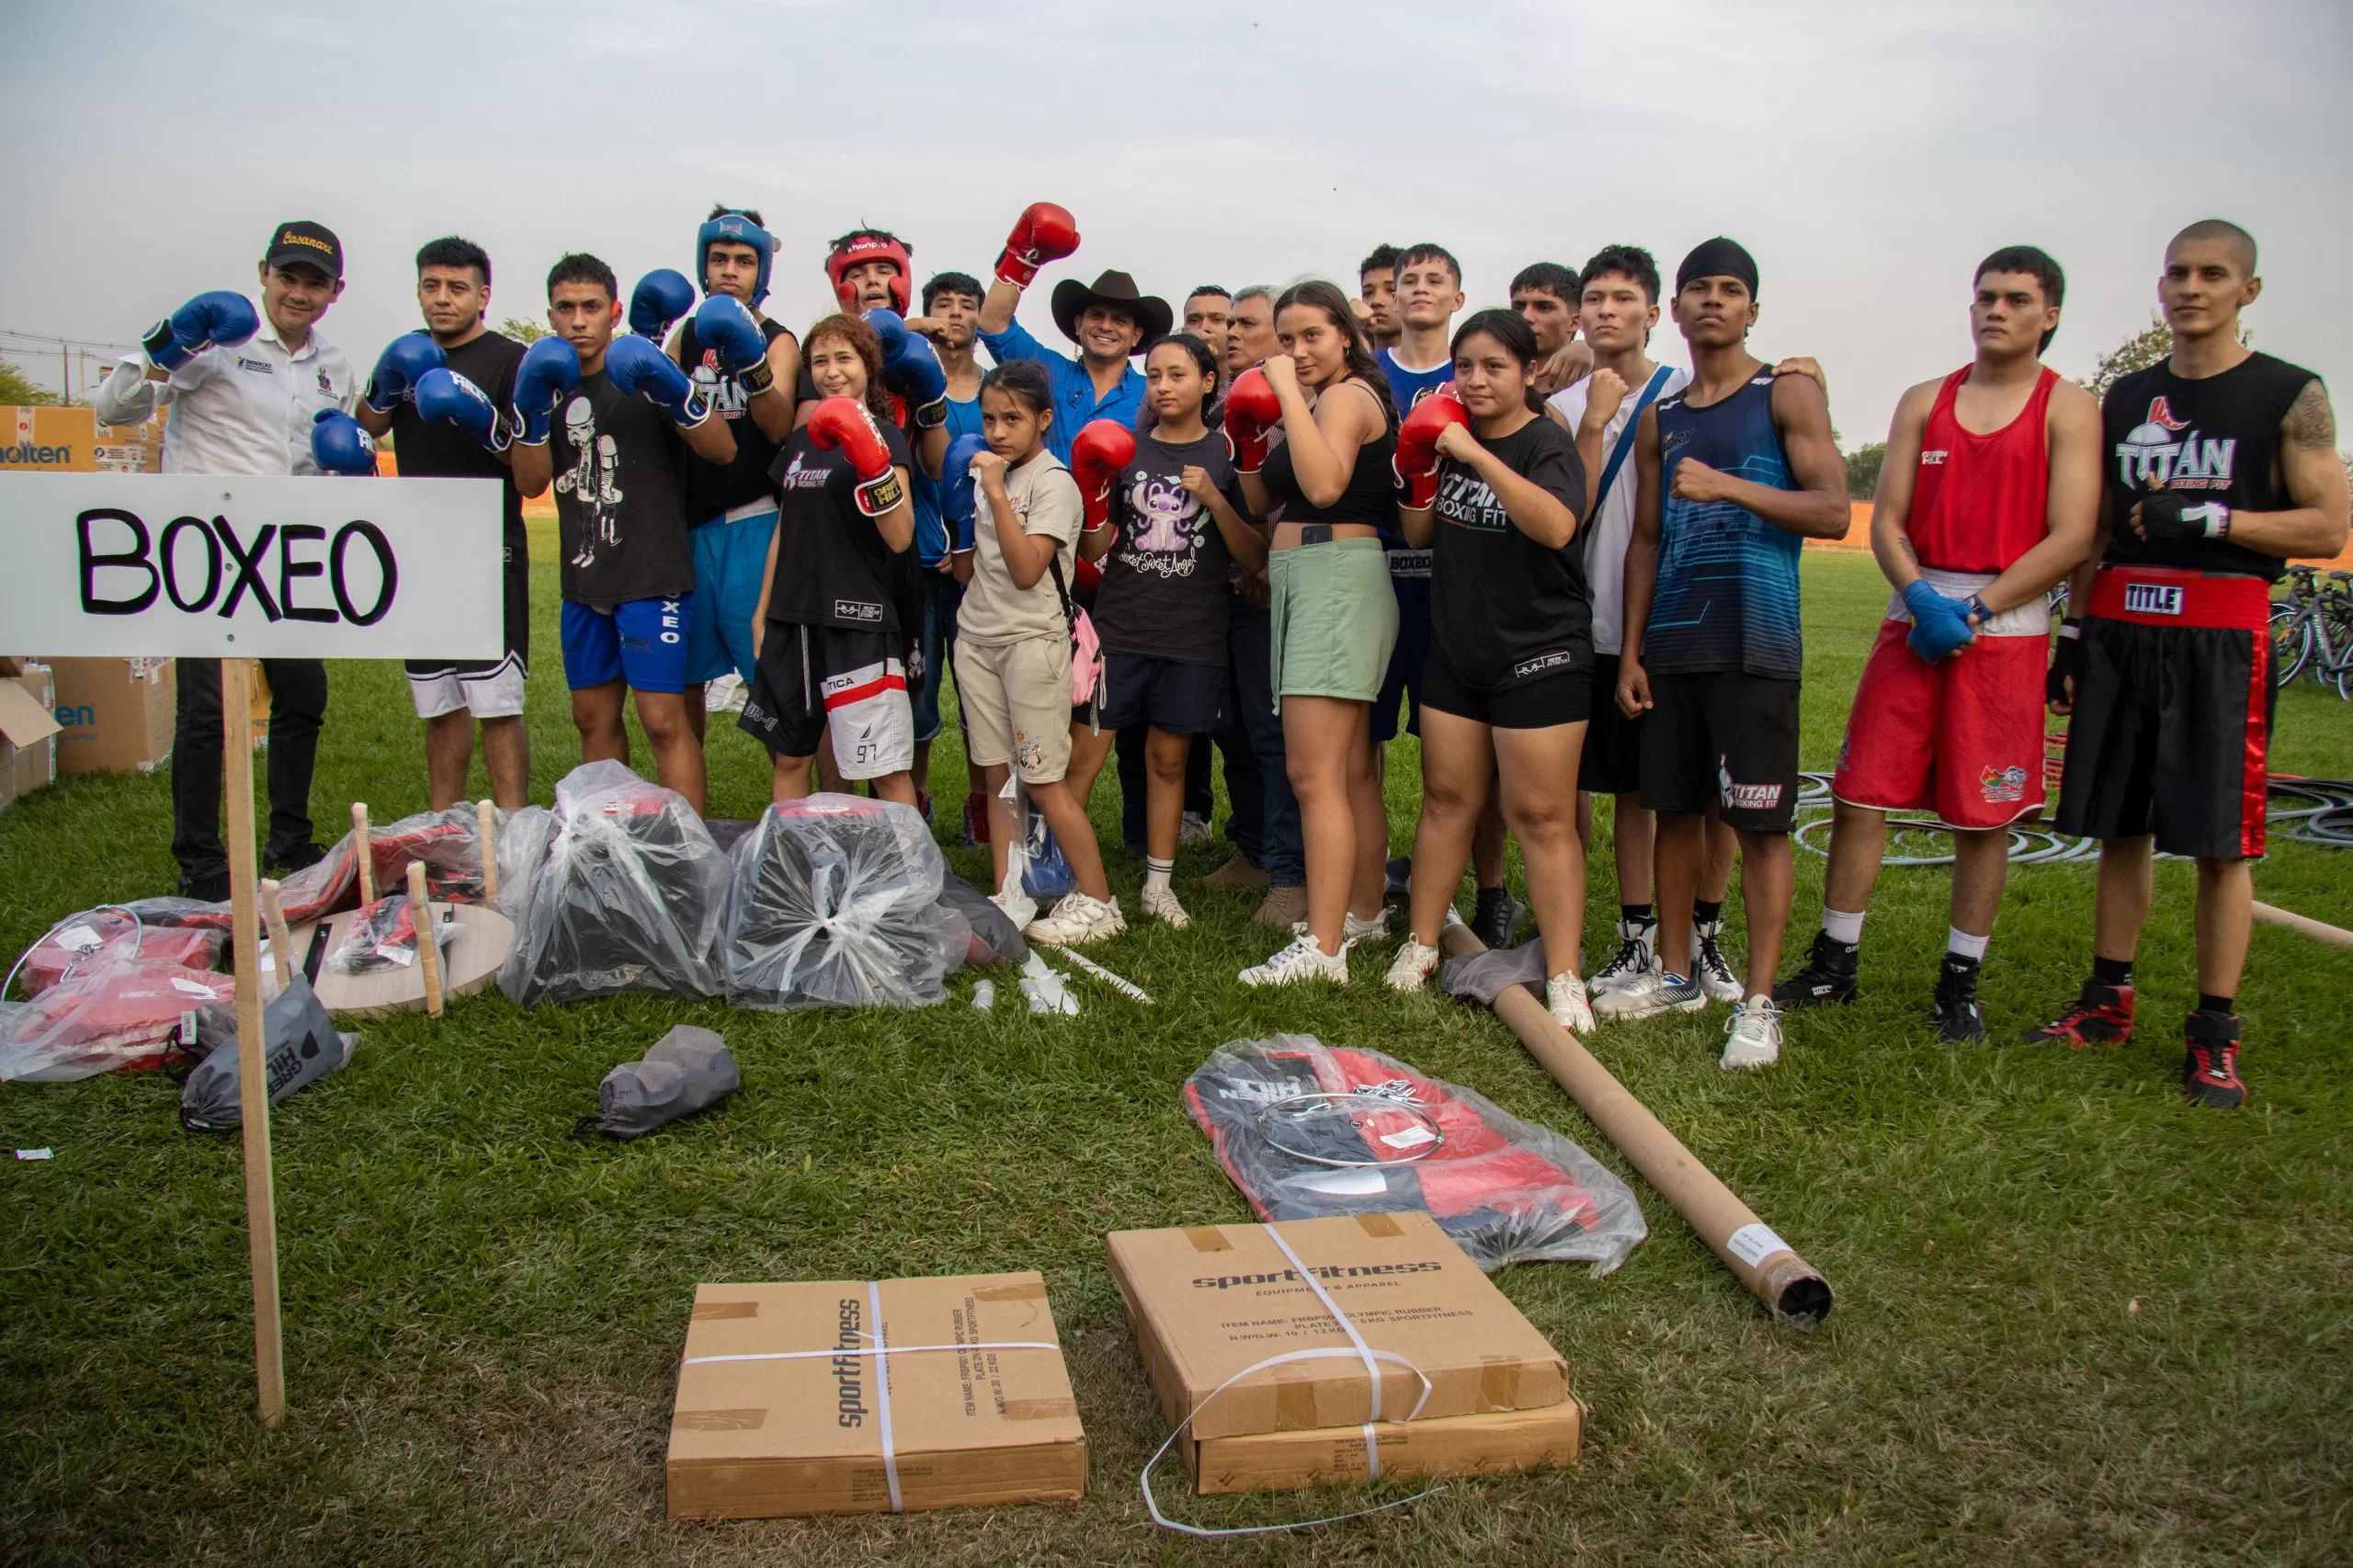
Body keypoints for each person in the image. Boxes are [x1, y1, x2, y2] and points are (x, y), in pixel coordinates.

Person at [2031, 220, 2348, 1108]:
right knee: (2119, 824)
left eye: (2213, 274)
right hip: (2125, 627)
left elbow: (2327, 526)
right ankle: (2107, 1000)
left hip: (2222, 634)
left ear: (2247, 289)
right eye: (2177, 273)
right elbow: (2092, 528)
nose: (2191, 287)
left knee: (2219, 842)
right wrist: (2074, 634)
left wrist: (2213, 520)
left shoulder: (2289, 393)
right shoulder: (2124, 396)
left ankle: (2214, 1031)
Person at [1775, 246, 2102, 1040]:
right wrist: (1921, 595)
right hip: (1912, 616)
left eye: (2017, 299)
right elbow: (1884, 518)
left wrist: (1981, 609)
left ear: (2048, 314)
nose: (1996, 310)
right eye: (1985, 296)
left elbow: (2074, 534)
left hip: (2007, 630)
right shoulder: (1927, 399)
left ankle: (1959, 983)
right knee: (1861, 795)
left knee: (1982, 815)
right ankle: (1834, 964)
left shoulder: (2069, 408)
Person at [1598, 238, 1850, 1072]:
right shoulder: (1662, 417)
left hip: (1757, 643)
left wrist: (1728, 485)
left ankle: (1760, 1002)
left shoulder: (1787, 392)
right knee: (1673, 813)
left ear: (1752, 309)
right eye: (1697, 290)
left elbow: (1831, 511)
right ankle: (1677, 975)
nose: (1713, 302)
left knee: (1759, 823)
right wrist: (1631, 652)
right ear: (1674, 311)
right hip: (1674, 644)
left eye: (1730, 289)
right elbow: (1642, 541)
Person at [92, 220, 358, 900]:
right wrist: (165, 348)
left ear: (336, 290)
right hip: (206, 551)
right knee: (208, 712)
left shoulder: (335, 366)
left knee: (304, 697)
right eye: (288, 276)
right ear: (263, 272)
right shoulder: (213, 343)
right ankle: (202, 861)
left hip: (287, 557)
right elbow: (114, 411)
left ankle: (291, 841)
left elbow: (318, 466)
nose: (299, 292)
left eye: (314, 282)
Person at [1384, 312, 1594, 1031]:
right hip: (1459, 649)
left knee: (1539, 814)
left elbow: (1558, 526)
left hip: (1540, 652)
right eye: (1464, 366)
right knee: (1446, 799)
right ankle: (1418, 945)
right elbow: (1418, 534)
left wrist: (1473, 452)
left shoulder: (1545, 442)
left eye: (1493, 366)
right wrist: (1417, 469)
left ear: (1530, 374)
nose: (1474, 380)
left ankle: (1565, 975)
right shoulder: (1447, 444)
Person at [1547, 244, 1740, 1006]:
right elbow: (1569, 515)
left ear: (1654, 313)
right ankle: (1635, 939)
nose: (1605, 311)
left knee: (1709, 792)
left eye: (1623, 299)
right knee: (1631, 786)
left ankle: (1702, 938)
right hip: (1596, 619)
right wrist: (1588, 417)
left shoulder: (1696, 389)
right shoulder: (1558, 407)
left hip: (1689, 619)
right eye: (1593, 299)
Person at [510, 253, 734, 812]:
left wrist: (675, 389)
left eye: (591, 308)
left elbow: (723, 449)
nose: (579, 320)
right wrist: (530, 413)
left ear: (613, 311)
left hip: (651, 574)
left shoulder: (643, 370)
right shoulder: (546, 384)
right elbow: (531, 481)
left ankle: (688, 852)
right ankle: (608, 847)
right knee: (592, 718)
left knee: (662, 718)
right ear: (551, 314)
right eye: (566, 309)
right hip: (584, 581)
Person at [1063, 334, 1266, 927]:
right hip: (1123, 627)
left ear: (1208, 382)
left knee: (1169, 762)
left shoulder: (1226, 456)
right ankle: (1058, 870)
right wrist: (1094, 493)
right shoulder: (1126, 450)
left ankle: (1158, 885)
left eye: (1177, 374)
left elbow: (1253, 553)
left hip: (1192, 634)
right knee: (1085, 759)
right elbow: (1095, 547)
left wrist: (1215, 499)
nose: (1163, 386)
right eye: (1154, 375)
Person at [1233, 279, 1400, 985]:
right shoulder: (1319, 403)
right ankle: (1361, 912)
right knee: (1351, 769)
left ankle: (1323, 949)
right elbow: (1262, 494)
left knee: (1314, 773)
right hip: (1315, 577)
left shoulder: (1344, 397)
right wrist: (1249, 436)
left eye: (1311, 337)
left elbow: (1326, 486)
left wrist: (1288, 397)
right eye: (1287, 338)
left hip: (1334, 575)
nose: (1296, 351)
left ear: (1346, 337)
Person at [1371, 243, 1520, 948]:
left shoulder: (1474, 376)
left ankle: (1488, 891)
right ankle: (1364, 878)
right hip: (1374, 576)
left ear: (1458, 297)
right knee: (1360, 742)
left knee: (1465, 755)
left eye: (1437, 280)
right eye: (1411, 281)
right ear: (1391, 296)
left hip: (1456, 586)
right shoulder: (1369, 374)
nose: (1421, 290)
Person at [352, 235, 532, 811]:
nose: (443, 299)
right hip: (420, 543)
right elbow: (366, 430)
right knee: (439, 702)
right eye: (431, 286)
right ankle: (443, 826)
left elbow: (532, 467)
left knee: (497, 703)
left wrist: (483, 421)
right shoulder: (406, 355)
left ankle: (513, 831)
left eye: (457, 288)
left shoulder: (510, 359)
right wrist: (385, 382)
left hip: (487, 542)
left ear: (483, 295)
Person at [954, 359, 1124, 945]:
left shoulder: (1053, 482)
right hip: (978, 639)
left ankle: (1101, 901)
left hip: (1033, 644)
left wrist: (997, 491)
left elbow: (1029, 571)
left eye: (1013, 419)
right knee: (997, 777)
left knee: (1045, 779)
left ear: (1044, 419)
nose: (998, 432)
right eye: (989, 419)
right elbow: (980, 565)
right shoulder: (989, 474)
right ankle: (1011, 889)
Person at [736, 313, 926, 809]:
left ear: (868, 365)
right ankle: (793, 873)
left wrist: (870, 459)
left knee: (882, 766)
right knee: (791, 758)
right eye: (819, 360)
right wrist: (763, 612)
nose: (831, 371)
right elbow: (784, 528)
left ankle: (909, 879)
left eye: (844, 358)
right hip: (793, 617)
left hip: (858, 620)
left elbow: (902, 536)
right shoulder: (800, 442)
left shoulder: (886, 434)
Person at [670, 207, 801, 726]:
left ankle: (800, 802)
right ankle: (685, 806)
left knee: (767, 677)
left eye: (743, 261)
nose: (730, 270)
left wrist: (753, 362)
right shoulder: (684, 336)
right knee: (684, 684)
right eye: (719, 259)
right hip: (691, 523)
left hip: (754, 518)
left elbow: (778, 429)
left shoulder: (779, 339)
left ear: (761, 271)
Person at [1212, 285, 1310, 927]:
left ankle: (1290, 873)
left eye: (1244, 323)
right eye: (1225, 323)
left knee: (1277, 734)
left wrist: (1266, 561)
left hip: (1281, 583)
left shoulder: (1303, 406)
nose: (1228, 332)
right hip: (1224, 583)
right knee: (1236, 727)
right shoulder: (1221, 401)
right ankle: (1252, 846)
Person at [903, 270, 994, 837]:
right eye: (943, 305)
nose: (954, 315)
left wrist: (971, 543)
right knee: (914, 687)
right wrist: (916, 334)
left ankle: (983, 807)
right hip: (913, 558)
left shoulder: (997, 388)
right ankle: (910, 801)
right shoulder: (905, 382)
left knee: (980, 695)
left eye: (967, 306)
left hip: (977, 567)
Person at [976, 202, 1162, 464]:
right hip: (1041, 504)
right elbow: (992, 323)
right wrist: (1023, 258)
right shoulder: (1047, 370)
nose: (1106, 326)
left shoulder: (1152, 393)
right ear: (1078, 324)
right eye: (1096, 315)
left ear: (1136, 335)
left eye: (1119, 320)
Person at [1511, 260, 1594, 396]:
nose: (1526, 317)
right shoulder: (1488, 380)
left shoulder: (1590, 387)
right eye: (1519, 307)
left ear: (1574, 322)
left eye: (1544, 307)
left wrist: (1590, 349)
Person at [1357, 244, 1402, 352]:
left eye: (1391, 290)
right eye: (1368, 293)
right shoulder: (1350, 366)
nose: (1376, 301)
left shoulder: (1446, 364)